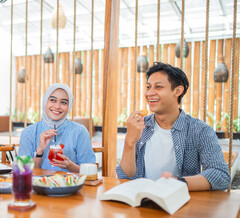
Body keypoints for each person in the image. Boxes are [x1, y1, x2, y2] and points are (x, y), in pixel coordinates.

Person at [116, 62, 230, 191]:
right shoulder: (140, 126)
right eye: (148, 87)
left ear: (178, 91)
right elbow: (125, 176)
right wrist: (130, 141)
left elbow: (221, 175)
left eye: (158, 87)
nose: (150, 93)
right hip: (141, 202)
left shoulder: (199, 130)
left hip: (179, 204)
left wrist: (178, 183)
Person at [18, 83, 96, 173]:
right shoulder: (28, 132)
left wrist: (70, 166)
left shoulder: (79, 132)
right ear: (45, 101)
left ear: (69, 106)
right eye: (52, 100)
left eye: (63, 102)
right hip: (38, 186)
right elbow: (23, 173)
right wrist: (39, 152)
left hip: (70, 186)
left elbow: (91, 173)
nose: (57, 106)